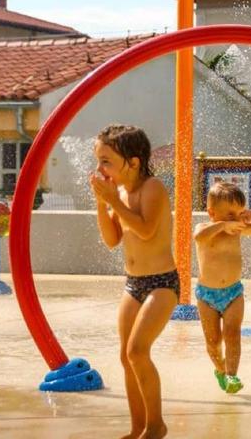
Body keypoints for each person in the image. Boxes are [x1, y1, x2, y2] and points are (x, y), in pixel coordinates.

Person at [90, 124, 177, 439]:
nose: (100, 168)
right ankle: (138, 426)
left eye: (106, 161)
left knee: (138, 351)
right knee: (126, 357)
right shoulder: (122, 194)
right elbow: (112, 239)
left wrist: (113, 202)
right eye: (98, 161)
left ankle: (156, 425)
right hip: (133, 284)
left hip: (162, 284)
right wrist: (103, 203)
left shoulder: (151, 188)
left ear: (134, 162)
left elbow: (144, 229)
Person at [194, 181, 251, 394]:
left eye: (238, 213)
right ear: (211, 212)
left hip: (234, 293)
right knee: (213, 341)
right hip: (207, 295)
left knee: (232, 334)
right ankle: (220, 369)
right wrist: (222, 226)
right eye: (229, 215)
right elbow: (199, 237)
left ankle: (232, 375)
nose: (234, 220)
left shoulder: (237, 230)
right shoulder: (204, 229)